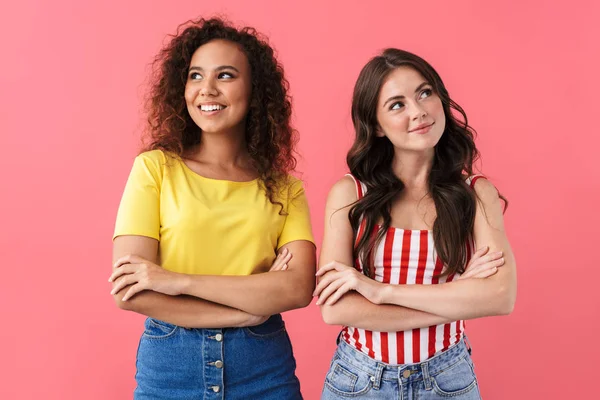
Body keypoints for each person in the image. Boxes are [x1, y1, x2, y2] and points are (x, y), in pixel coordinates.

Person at [108, 17, 316, 400]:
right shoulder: (155, 169)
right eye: (195, 76)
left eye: (225, 75)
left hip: (263, 367)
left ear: (255, 91)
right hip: (171, 366)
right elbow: (129, 291)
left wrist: (176, 281)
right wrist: (244, 311)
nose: (206, 89)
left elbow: (299, 287)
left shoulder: (285, 188)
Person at [314, 48, 516, 399]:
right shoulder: (351, 194)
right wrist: (458, 293)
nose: (419, 111)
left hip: (447, 378)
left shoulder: (475, 193)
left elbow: (500, 296)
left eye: (425, 93)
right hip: (360, 380)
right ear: (375, 125)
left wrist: (381, 292)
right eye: (397, 104)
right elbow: (337, 309)